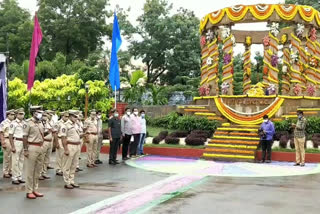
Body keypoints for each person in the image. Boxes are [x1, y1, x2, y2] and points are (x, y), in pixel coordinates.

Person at [23, 106, 45, 199]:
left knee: (37, 171)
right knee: (30, 171)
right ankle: (29, 191)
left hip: (40, 147)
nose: (41, 113)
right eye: (38, 112)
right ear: (34, 113)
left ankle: (35, 189)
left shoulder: (40, 123)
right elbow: (25, 137)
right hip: (31, 147)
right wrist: (25, 149)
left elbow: (41, 134)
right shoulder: (28, 123)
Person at [62, 110, 81, 189]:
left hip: (77, 145)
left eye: (77, 117)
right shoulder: (65, 125)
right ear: (70, 116)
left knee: (74, 165)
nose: (76, 118)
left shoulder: (76, 125)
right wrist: (66, 149)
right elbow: (63, 138)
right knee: (67, 165)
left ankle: (72, 181)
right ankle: (67, 182)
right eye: (74, 116)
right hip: (70, 145)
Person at [9, 108, 27, 185]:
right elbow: (10, 135)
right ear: (16, 114)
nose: (21, 115)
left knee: (21, 161)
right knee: (15, 161)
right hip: (16, 141)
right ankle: (14, 177)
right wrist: (12, 146)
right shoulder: (13, 123)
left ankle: (19, 176)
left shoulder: (24, 123)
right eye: (20, 114)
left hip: (23, 142)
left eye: (22, 114)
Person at [0, 110, 16, 178]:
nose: (13, 116)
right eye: (11, 114)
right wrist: (2, 142)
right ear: (7, 115)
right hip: (7, 140)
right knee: (7, 157)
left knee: (12, 157)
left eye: (13, 114)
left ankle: (10, 171)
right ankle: (5, 172)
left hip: (14, 140)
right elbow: (1, 133)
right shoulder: (4, 123)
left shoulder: (14, 122)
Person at [39, 112, 54, 180]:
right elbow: (40, 134)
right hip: (44, 141)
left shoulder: (48, 123)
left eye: (46, 115)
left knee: (46, 159)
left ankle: (44, 173)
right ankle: (39, 173)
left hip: (49, 142)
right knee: (41, 158)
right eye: (44, 115)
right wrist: (48, 132)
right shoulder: (39, 123)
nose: (45, 117)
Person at [55, 111, 69, 176]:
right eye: (65, 116)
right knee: (59, 156)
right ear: (62, 116)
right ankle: (58, 169)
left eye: (67, 116)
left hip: (66, 140)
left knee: (64, 156)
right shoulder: (58, 123)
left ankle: (63, 169)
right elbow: (55, 133)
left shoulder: (68, 123)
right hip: (60, 139)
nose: (67, 118)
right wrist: (56, 142)